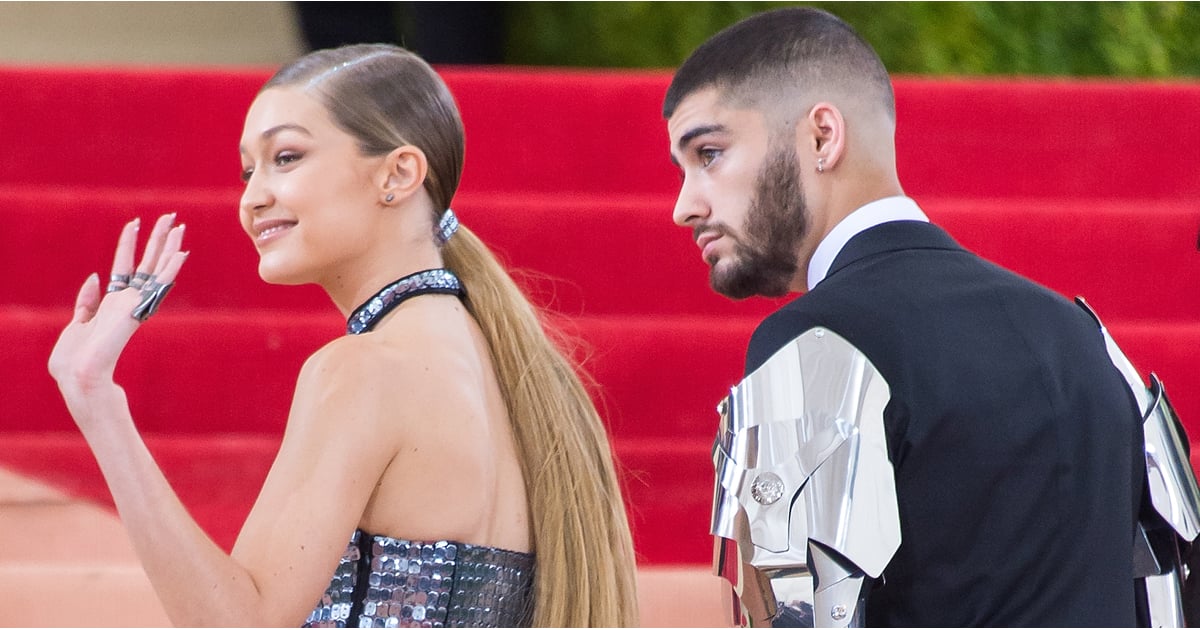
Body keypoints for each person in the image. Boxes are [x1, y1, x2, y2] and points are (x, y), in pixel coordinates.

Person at [48, 44, 638, 627]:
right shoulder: (512, 370)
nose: (253, 197)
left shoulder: (364, 370)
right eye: (247, 170)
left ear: (399, 173)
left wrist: (95, 397)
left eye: (286, 157)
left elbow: (236, 623)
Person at [663, 7, 1175, 626]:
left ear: (822, 137)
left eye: (710, 153)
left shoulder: (815, 340)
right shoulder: (1085, 338)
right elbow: (1171, 595)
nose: (685, 207)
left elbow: (792, 617)